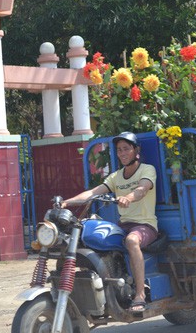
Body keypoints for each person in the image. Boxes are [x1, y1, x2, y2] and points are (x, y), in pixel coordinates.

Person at [62, 131, 158, 313]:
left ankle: (140, 294)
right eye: (119, 150)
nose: (122, 153)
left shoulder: (147, 170)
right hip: (124, 225)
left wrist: (129, 197)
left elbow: (142, 189)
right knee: (93, 238)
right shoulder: (116, 177)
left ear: (136, 150)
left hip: (145, 225)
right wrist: (68, 202)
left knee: (131, 240)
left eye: (126, 149)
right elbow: (92, 193)